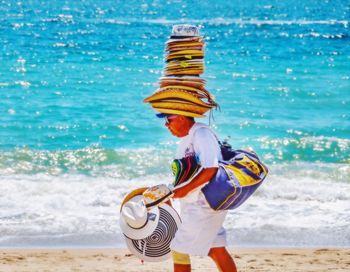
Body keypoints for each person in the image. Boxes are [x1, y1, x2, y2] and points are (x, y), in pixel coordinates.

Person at [161, 113, 237, 272]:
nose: (166, 125)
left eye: (168, 120)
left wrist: (183, 191)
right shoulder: (188, 139)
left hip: (204, 206)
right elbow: (189, 174)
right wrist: (170, 193)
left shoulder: (202, 133)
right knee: (216, 249)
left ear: (181, 117)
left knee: (179, 249)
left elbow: (211, 168)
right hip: (200, 205)